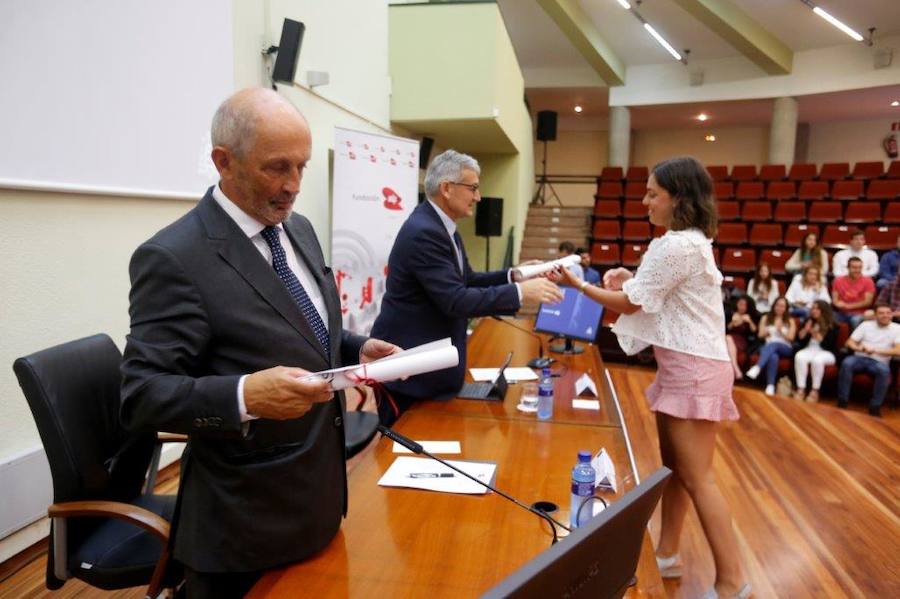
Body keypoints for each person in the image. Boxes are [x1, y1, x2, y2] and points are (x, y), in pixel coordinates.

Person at [120, 88, 402, 598]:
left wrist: (355, 348)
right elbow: (142, 394)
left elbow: (306, 326)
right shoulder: (173, 258)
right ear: (223, 162)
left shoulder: (300, 229)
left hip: (316, 502)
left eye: (302, 166)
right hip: (242, 532)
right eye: (277, 168)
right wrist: (245, 397)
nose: (293, 186)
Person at [557, 156, 750, 599]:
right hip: (688, 365)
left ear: (678, 197)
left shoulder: (674, 245)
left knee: (699, 478)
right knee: (676, 471)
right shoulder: (685, 241)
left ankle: (733, 581)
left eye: (652, 194)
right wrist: (631, 277)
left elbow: (630, 304)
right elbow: (653, 290)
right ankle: (666, 551)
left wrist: (580, 284)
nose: (644, 201)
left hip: (694, 369)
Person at [370, 150, 562, 425]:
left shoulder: (443, 226)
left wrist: (515, 275)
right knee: (403, 452)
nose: (478, 197)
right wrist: (522, 293)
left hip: (430, 369)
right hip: (410, 374)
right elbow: (456, 300)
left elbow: (467, 280)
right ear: (446, 188)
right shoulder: (425, 232)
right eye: (472, 188)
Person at [837, 303, 900, 417]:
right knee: (847, 363)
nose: (885, 315)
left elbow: (897, 351)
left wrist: (875, 350)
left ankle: (875, 407)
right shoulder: (866, 325)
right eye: (881, 313)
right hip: (860, 356)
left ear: (891, 315)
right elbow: (849, 342)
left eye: (888, 313)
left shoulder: (897, 328)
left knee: (884, 371)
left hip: (879, 361)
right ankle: (842, 401)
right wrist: (858, 348)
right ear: (875, 315)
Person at [745, 296, 796, 396]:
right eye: (777, 305)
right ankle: (770, 386)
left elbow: (791, 338)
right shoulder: (766, 318)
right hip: (768, 347)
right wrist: (768, 331)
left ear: (786, 308)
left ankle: (758, 367)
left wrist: (781, 331)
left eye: (782, 306)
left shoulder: (790, 320)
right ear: (774, 306)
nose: (779, 308)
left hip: (785, 347)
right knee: (773, 356)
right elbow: (760, 335)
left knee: (775, 344)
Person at [793, 300, 838, 403]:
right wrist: (805, 330)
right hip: (810, 349)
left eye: (817, 308)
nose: (814, 311)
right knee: (799, 356)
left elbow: (828, 345)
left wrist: (815, 333)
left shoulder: (833, 325)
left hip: (826, 352)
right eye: (813, 308)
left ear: (823, 310)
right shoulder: (808, 321)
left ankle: (814, 391)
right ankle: (801, 389)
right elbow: (799, 340)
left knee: (817, 361)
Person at [831, 256, 875, 330]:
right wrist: (837, 304)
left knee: (855, 320)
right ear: (848, 268)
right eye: (854, 267)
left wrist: (848, 306)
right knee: (827, 317)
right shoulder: (838, 281)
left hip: (859, 313)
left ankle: (854, 341)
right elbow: (835, 300)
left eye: (860, 267)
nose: (857, 270)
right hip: (841, 312)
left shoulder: (868, 281)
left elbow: (868, 302)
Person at [725, 295, 759, 380]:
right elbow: (725, 329)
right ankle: (736, 370)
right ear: (737, 304)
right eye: (740, 304)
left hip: (741, 340)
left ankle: (736, 371)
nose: (742, 307)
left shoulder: (749, 316)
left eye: (744, 305)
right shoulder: (730, 313)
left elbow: (755, 332)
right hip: (728, 338)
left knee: (728, 339)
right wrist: (732, 322)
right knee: (727, 338)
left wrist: (749, 321)